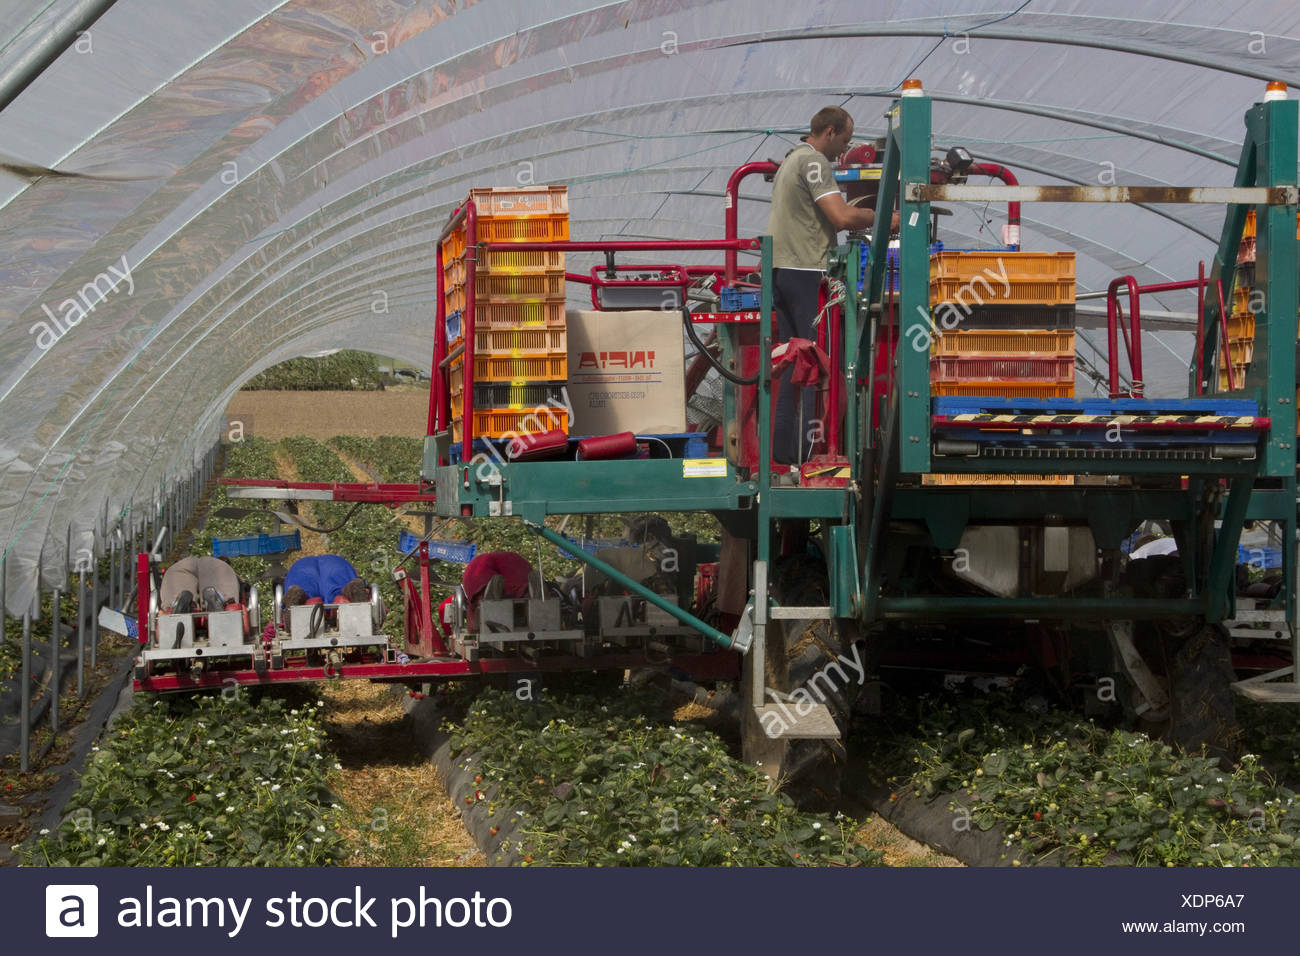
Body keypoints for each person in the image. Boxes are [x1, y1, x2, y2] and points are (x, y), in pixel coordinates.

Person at [767, 105, 896, 464]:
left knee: (794, 362)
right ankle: (814, 455)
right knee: (817, 363)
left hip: (782, 271)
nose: (844, 149)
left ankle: (786, 453)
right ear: (828, 132)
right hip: (807, 271)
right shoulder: (813, 162)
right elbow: (841, 217)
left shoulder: (790, 161)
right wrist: (889, 218)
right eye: (844, 140)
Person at [159, 555, 241, 614]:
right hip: (215, 564)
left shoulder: (177, 564)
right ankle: (220, 599)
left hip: (179, 566)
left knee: (178, 592)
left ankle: (178, 603)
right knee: (220, 587)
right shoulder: (222, 563)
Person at [282, 554, 370, 606]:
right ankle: (351, 590)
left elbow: (270, 632)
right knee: (338, 593)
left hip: (301, 569)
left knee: (305, 597)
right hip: (336, 564)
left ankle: (299, 595)